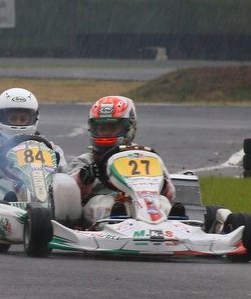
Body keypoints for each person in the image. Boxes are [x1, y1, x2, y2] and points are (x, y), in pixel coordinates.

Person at [68, 95, 176, 227]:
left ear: (130, 128)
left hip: (142, 203)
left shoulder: (144, 157)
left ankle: (172, 224)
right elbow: (67, 192)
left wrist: (162, 185)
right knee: (104, 204)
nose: (107, 133)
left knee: (163, 202)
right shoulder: (86, 160)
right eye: (102, 129)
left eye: (113, 128)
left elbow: (170, 194)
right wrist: (85, 177)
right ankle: (115, 223)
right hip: (99, 208)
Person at [0, 87, 66, 202]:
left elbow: (64, 178)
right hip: (5, 196)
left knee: (61, 191)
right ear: (0, 117)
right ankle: (1, 209)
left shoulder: (50, 148)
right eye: (13, 119)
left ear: (34, 118)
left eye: (23, 119)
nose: (18, 123)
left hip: (40, 193)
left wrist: (55, 164)